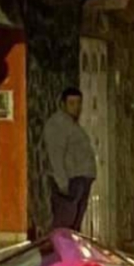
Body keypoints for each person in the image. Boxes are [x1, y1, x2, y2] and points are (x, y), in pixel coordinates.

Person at [43, 87, 98, 233]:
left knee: (74, 225)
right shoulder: (58, 124)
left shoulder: (71, 124)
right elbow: (56, 154)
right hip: (71, 181)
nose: (76, 108)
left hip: (79, 179)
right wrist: (62, 183)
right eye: (72, 103)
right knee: (65, 224)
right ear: (63, 104)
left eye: (78, 103)